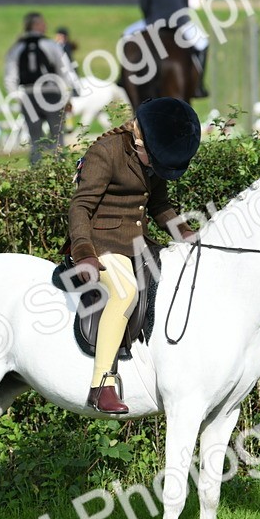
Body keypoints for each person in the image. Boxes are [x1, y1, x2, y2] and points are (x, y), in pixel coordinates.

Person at [68, 97, 200, 413]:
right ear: (138, 138)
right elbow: (81, 206)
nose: (154, 167)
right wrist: (84, 252)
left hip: (138, 244)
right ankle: (102, 384)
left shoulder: (150, 154)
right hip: (101, 243)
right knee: (125, 293)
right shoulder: (106, 151)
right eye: (152, 159)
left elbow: (158, 206)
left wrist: (187, 235)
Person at [3, 11, 78, 165]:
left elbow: (10, 78)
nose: (46, 26)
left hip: (29, 96)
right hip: (51, 94)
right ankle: (60, 173)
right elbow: (65, 71)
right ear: (36, 25)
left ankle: (36, 175)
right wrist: (67, 95)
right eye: (42, 23)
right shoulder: (51, 45)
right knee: (57, 138)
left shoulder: (16, 48)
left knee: (35, 140)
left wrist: (18, 97)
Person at [138, 0, 209, 98]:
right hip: (181, 24)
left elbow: (144, 4)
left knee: (125, 36)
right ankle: (199, 86)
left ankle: (122, 79)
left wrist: (149, 18)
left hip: (153, 24)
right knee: (203, 42)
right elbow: (185, 2)